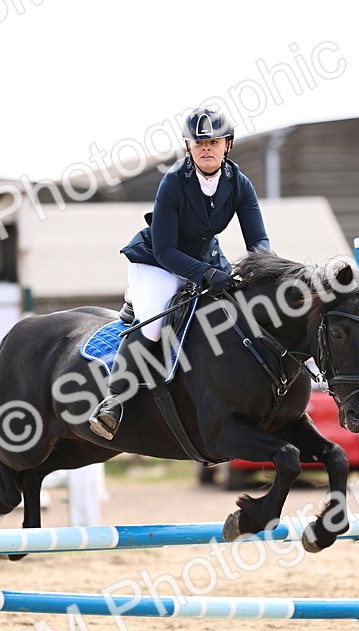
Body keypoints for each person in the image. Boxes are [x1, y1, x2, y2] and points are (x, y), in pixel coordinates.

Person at [87, 106, 272, 440]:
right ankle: (113, 401)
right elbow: (165, 250)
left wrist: (267, 271)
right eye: (198, 142)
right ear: (188, 147)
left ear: (227, 145)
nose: (205, 147)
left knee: (240, 309)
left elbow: (257, 241)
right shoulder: (173, 182)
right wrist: (207, 274)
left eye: (213, 141)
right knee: (156, 322)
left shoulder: (240, 184)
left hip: (206, 260)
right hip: (157, 261)